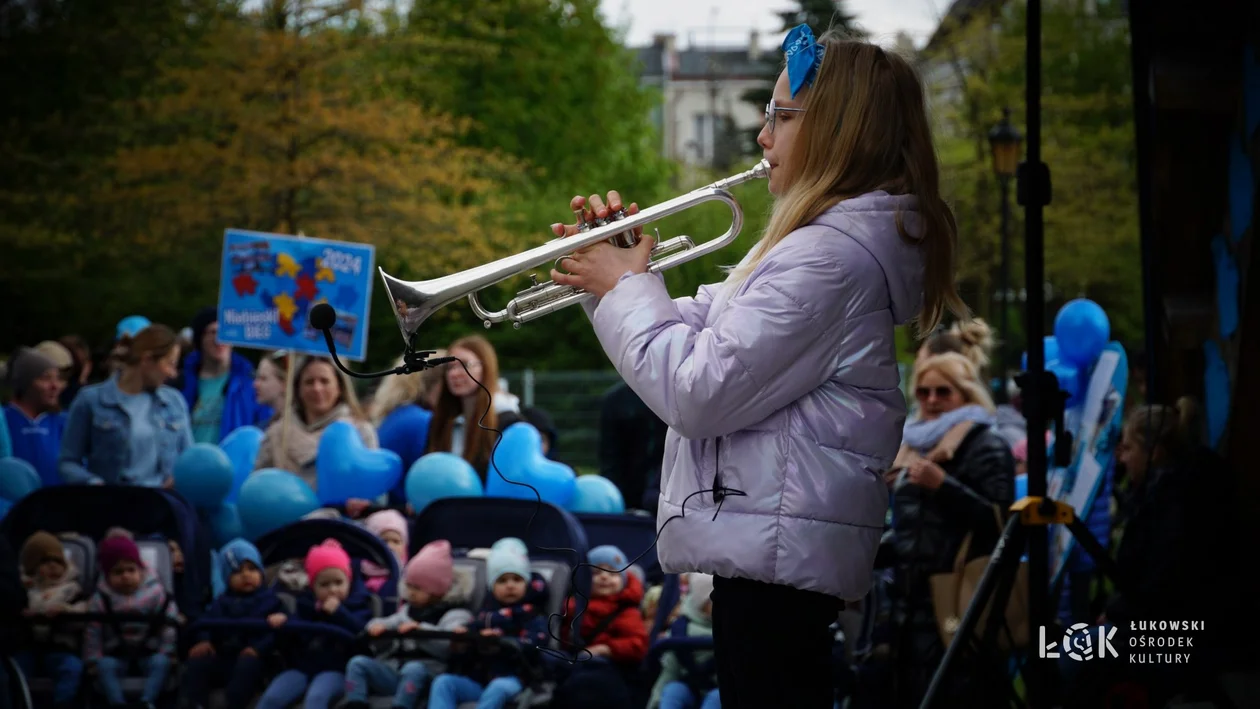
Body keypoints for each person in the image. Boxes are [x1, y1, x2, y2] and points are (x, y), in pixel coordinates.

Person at [546, 24, 965, 708]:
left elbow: (696, 389)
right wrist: (615, 277)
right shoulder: (813, 251)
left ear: (836, 131)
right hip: (770, 548)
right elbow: (696, 333)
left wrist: (624, 287)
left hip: (776, 558)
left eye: (781, 116)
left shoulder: (825, 261)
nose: (763, 136)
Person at [877, 353, 1014, 708]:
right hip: (908, 608)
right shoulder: (909, 447)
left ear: (966, 395)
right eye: (923, 393)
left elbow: (1001, 525)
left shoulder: (986, 444)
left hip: (958, 600)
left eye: (943, 391)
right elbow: (911, 534)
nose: (932, 400)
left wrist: (944, 486)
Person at [58, 325, 193, 487]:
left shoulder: (173, 401)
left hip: (161, 504)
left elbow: (189, 458)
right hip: (112, 506)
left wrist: (179, 479)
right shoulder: (90, 400)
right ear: (147, 360)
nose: (173, 373)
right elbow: (68, 462)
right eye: (170, 364)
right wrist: (94, 484)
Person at [179, 307, 273, 443]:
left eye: (225, 331)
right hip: (189, 461)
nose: (219, 338)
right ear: (200, 339)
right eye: (212, 332)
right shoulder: (181, 382)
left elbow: (264, 427)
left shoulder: (251, 383)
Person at [4, 347, 68, 486]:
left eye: (57, 378)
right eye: (45, 378)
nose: (55, 386)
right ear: (25, 384)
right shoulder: (4, 419)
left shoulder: (63, 421)